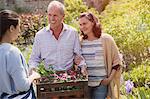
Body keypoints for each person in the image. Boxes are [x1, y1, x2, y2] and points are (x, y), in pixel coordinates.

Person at [29, 1, 86, 73]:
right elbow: (34, 59)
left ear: (63, 16)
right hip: (48, 77)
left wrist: (82, 66)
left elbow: (78, 56)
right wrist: (33, 69)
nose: (52, 18)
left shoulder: (72, 33)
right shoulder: (40, 36)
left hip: (69, 77)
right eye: (49, 15)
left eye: (55, 15)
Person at [78, 12, 122, 99]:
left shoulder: (106, 39)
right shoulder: (80, 41)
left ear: (93, 23)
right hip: (85, 84)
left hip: (101, 83)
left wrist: (108, 79)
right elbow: (77, 60)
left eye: (85, 23)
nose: (82, 27)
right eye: (80, 24)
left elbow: (117, 62)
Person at [0, 10, 41, 99]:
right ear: (11, 28)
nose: (19, 30)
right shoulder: (11, 52)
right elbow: (22, 86)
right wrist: (33, 76)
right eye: (19, 26)